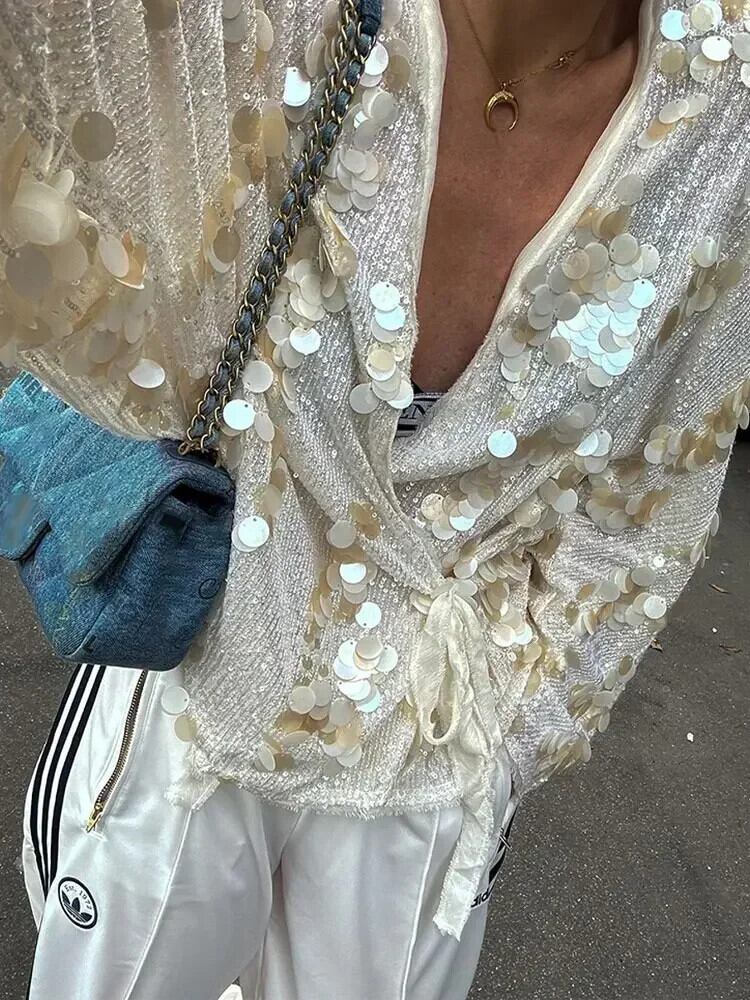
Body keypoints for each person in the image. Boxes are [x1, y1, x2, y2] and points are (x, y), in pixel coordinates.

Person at [2, 0, 748, 996]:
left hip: (435, 754)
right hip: (198, 689)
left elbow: (660, 477)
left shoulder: (722, 115)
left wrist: (512, 730)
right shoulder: (268, 20)